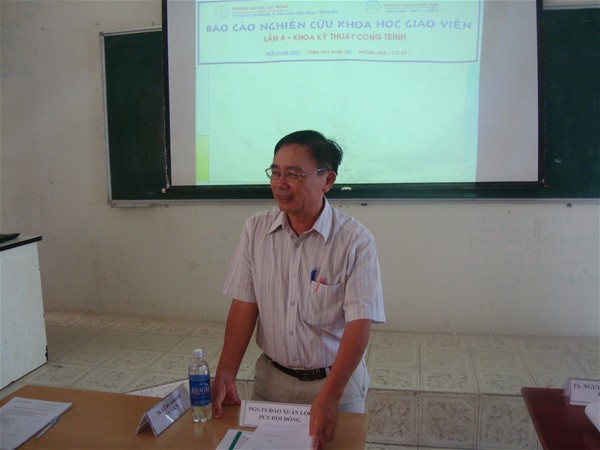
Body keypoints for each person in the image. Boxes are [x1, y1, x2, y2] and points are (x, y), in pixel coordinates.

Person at [211, 130, 385, 449]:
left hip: (336, 384)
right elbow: (245, 304)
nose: (280, 183)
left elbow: (360, 323)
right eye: (275, 172)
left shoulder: (355, 241)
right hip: (272, 383)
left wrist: (330, 396)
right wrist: (226, 372)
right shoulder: (255, 230)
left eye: (293, 174)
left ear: (327, 180)